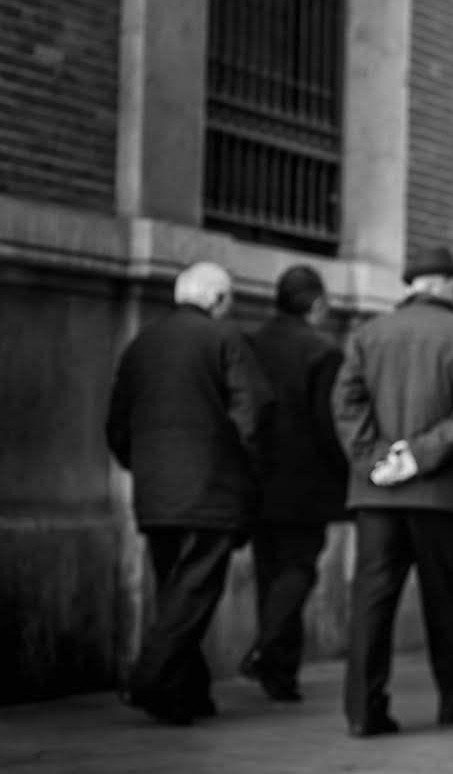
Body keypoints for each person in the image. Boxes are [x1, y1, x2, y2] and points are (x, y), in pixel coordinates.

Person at [333, 246, 453, 738]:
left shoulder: (367, 334)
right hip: (441, 495)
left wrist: (376, 459)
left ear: (412, 286)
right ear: (446, 285)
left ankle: (364, 709)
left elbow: (345, 402)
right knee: (445, 598)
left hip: (377, 494)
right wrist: (419, 455)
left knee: (371, 601)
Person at [106, 261, 262, 726]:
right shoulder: (226, 339)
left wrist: (147, 468)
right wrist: (243, 472)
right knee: (193, 593)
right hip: (210, 490)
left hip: (155, 492)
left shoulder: (141, 345)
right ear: (217, 299)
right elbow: (253, 414)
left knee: (175, 589)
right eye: (228, 299)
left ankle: (186, 695)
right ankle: (149, 678)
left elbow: (117, 425)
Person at [239, 265, 348, 702]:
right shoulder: (322, 353)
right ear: (317, 304)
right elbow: (329, 424)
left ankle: (281, 674)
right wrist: (346, 475)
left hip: (259, 476)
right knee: (300, 569)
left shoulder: (250, 344)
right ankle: (268, 650)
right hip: (306, 482)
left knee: (271, 572)